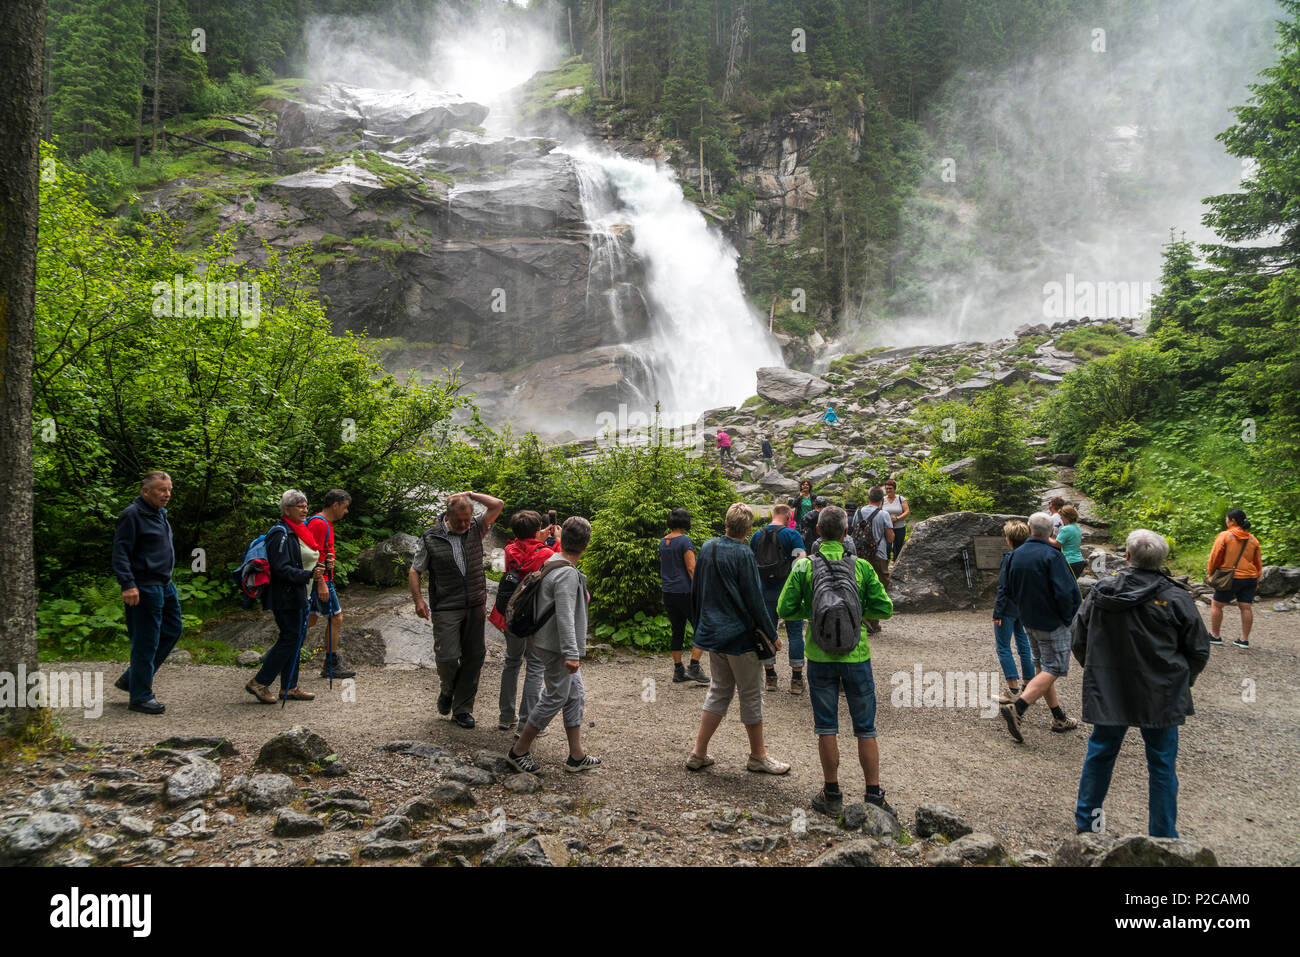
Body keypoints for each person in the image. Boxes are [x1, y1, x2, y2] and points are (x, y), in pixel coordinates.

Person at [1072, 529, 1211, 838]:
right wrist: (1181, 681)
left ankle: (1089, 826)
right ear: (1162, 560)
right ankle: (1162, 836)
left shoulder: (1101, 593)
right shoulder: (1176, 596)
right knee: (1161, 764)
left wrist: (1098, 673)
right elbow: (1199, 649)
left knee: (1101, 754)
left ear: (1128, 557)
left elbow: (1078, 638)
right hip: (1161, 691)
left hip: (1110, 687)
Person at [779, 506, 895, 817]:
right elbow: (885, 610)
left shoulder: (804, 567)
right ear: (846, 533)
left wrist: (811, 611)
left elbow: (785, 608)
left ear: (817, 532)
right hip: (857, 655)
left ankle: (832, 794)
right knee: (865, 727)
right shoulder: (862, 567)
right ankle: (874, 795)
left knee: (826, 726)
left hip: (818, 655)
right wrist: (860, 611)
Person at [686, 504, 790, 775]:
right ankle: (758, 756)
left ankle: (698, 753)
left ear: (726, 523)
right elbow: (755, 600)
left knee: (719, 690)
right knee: (751, 694)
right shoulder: (744, 554)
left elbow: (696, 589)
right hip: (741, 638)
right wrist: (771, 633)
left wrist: (700, 627)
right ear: (748, 530)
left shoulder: (707, 548)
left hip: (713, 635)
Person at [506, 517, 602, 775]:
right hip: (555, 646)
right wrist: (572, 653)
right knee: (556, 695)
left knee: (576, 694)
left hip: (548, 641)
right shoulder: (567, 574)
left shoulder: (553, 561)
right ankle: (519, 750)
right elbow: (565, 617)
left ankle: (576, 755)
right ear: (586, 545)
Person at [408, 490, 504, 728]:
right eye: (460, 520)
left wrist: (471, 494)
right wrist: (418, 600)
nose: (464, 524)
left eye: (468, 518)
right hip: (446, 605)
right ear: (448, 515)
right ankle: (447, 690)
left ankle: (462, 710)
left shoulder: (475, 527)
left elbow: (498, 504)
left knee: (474, 657)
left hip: (475, 603)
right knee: (448, 656)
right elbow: (415, 570)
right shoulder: (430, 537)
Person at [998, 512, 1081, 741]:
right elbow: (1067, 592)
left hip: (1028, 620)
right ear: (1052, 532)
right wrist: (1067, 618)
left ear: (1028, 528)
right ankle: (1019, 707)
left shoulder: (1014, 556)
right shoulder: (1053, 556)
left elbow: (1009, 589)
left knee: (1042, 668)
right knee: (1053, 668)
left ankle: (1058, 717)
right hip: (1052, 622)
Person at [111, 471, 183, 714]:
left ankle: (132, 678)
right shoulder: (132, 515)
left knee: (173, 629)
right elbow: (120, 552)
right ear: (145, 491)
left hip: (165, 583)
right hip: (143, 585)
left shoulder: (159, 513)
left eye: (169, 490)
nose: (167, 494)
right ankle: (140, 696)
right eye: (162, 490)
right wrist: (128, 584)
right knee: (146, 641)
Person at [245, 489, 326, 704]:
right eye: (299, 506)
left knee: (296, 639)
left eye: (305, 505)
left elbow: (299, 561)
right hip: (285, 595)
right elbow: (281, 569)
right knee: (290, 638)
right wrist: (308, 574)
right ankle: (260, 682)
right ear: (286, 509)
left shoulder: (296, 531)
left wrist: (314, 570)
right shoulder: (280, 533)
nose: (304, 509)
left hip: (298, 593)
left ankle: (289, 686)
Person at [493, 510, 561, 731]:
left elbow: (521, 551)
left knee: (511, 661)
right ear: (536, 529)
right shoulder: (545, 554)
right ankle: (526, 723)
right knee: (534, 665)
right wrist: (556, 541)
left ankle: (505, 716)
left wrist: (535, 537)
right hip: (533, 617)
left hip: (510, 614)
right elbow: (559, 565)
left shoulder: (509, 550)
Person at [750, 503, 809, 693]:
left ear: (773, 515)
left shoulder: (757, 535)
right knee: (794, 632)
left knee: (766, 632)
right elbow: (801, 560)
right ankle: (797, 680)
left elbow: (751, 562)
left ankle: (770, 677)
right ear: (788, 516)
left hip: (764, 590)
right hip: (788, 590)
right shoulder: (792, 535)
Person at [305, 489, 354, 679]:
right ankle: (331, 664)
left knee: (311, 619)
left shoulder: (322, 522)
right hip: (321, 580)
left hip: (320, 578)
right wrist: (321, 583)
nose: (346, 511)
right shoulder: (320, 524)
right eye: (345, 507)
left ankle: (283, 649)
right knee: (336, 618)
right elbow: (312, 555)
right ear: (335, 505)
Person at [661, 508, 708, 684]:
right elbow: (691, 568)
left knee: (677, 630)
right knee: (701, 626)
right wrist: (700, 588)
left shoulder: (663, 541)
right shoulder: (684, 540)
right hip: (685, 591)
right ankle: (694, 666)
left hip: (668, 592)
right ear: (686, 522)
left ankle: (678, 670)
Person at [992, 520, 1037, 705]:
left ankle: (1012, 689)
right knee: (1023, 644)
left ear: (1009, 540)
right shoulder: (1031, 557)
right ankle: (1028, 686)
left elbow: (1003, 587)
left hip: (1008, 607)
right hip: (1024, 606)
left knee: (1003, 647)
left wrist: (997, 612)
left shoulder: (1010, 558)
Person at [1207, 508, 1263, 649]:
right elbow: (1257, 563)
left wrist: (1211, 573)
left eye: (1227, 519)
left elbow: (1215, 557)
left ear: (1232, 521)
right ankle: (1244, 640)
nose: (1226, 521)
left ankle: (1215, 636)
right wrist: (1257, 579)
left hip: (1230, 577)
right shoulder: (1253, 539)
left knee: (1217, 605)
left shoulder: (1225, 536)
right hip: (1250, 577)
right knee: (1245, 607)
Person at [853, 487, 895, 633]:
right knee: (878, 586)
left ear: (868, 497)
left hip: (859, 555)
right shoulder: (884, 514)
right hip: (879, 555)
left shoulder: (858, 512)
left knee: (860, 585)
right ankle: (873, 622)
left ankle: (861, 619)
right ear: (881, 500)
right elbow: (890, 538)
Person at [881, 479, 910, 563]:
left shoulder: (901, 499)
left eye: (890, 488)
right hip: (886, 528)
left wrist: (897, 518)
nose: (888, 490)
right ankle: (886, 565)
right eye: (886, 488)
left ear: (895, 489)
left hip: (899, 527)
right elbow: (879, 512)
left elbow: (907, 511)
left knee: (898, 547)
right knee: (887, 547)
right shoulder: (882, 500)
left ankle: (896, 564)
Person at [1057, 505, 1085, 579]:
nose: (1060, 518)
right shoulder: (1077, 527)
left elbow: (1056, 545)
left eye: (1061, 515)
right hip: (1079, 562)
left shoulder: (1066, 529)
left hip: (1069, 562)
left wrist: (1046, 538)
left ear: (1067, 517)